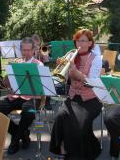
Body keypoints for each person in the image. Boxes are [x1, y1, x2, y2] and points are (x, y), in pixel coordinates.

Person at [49, 29, 103, 160]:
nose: (79, 43)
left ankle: (84, 152)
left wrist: (74, 69)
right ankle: (67, 149)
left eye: (83, 40)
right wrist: (63, 67)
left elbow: (91, 81)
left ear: (90, 43)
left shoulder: (96, 59)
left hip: (91, 99)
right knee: (60, 117)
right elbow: (65, 79)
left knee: (79, 125)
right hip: (73, 97)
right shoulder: (71, 56)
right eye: (77, 40)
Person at [0, 37, 43, 154]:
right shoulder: (17, 62)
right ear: (20, 50)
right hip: (16, 96)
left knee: (29, 113)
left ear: (33, 51)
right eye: (23, 50)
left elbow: (41, 87)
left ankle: (15, 141)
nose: (26, 53)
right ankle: (23, 134)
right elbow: (6, 84)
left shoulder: (39, 65)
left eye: (28, 50)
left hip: (33, 97)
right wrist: (8, 72)